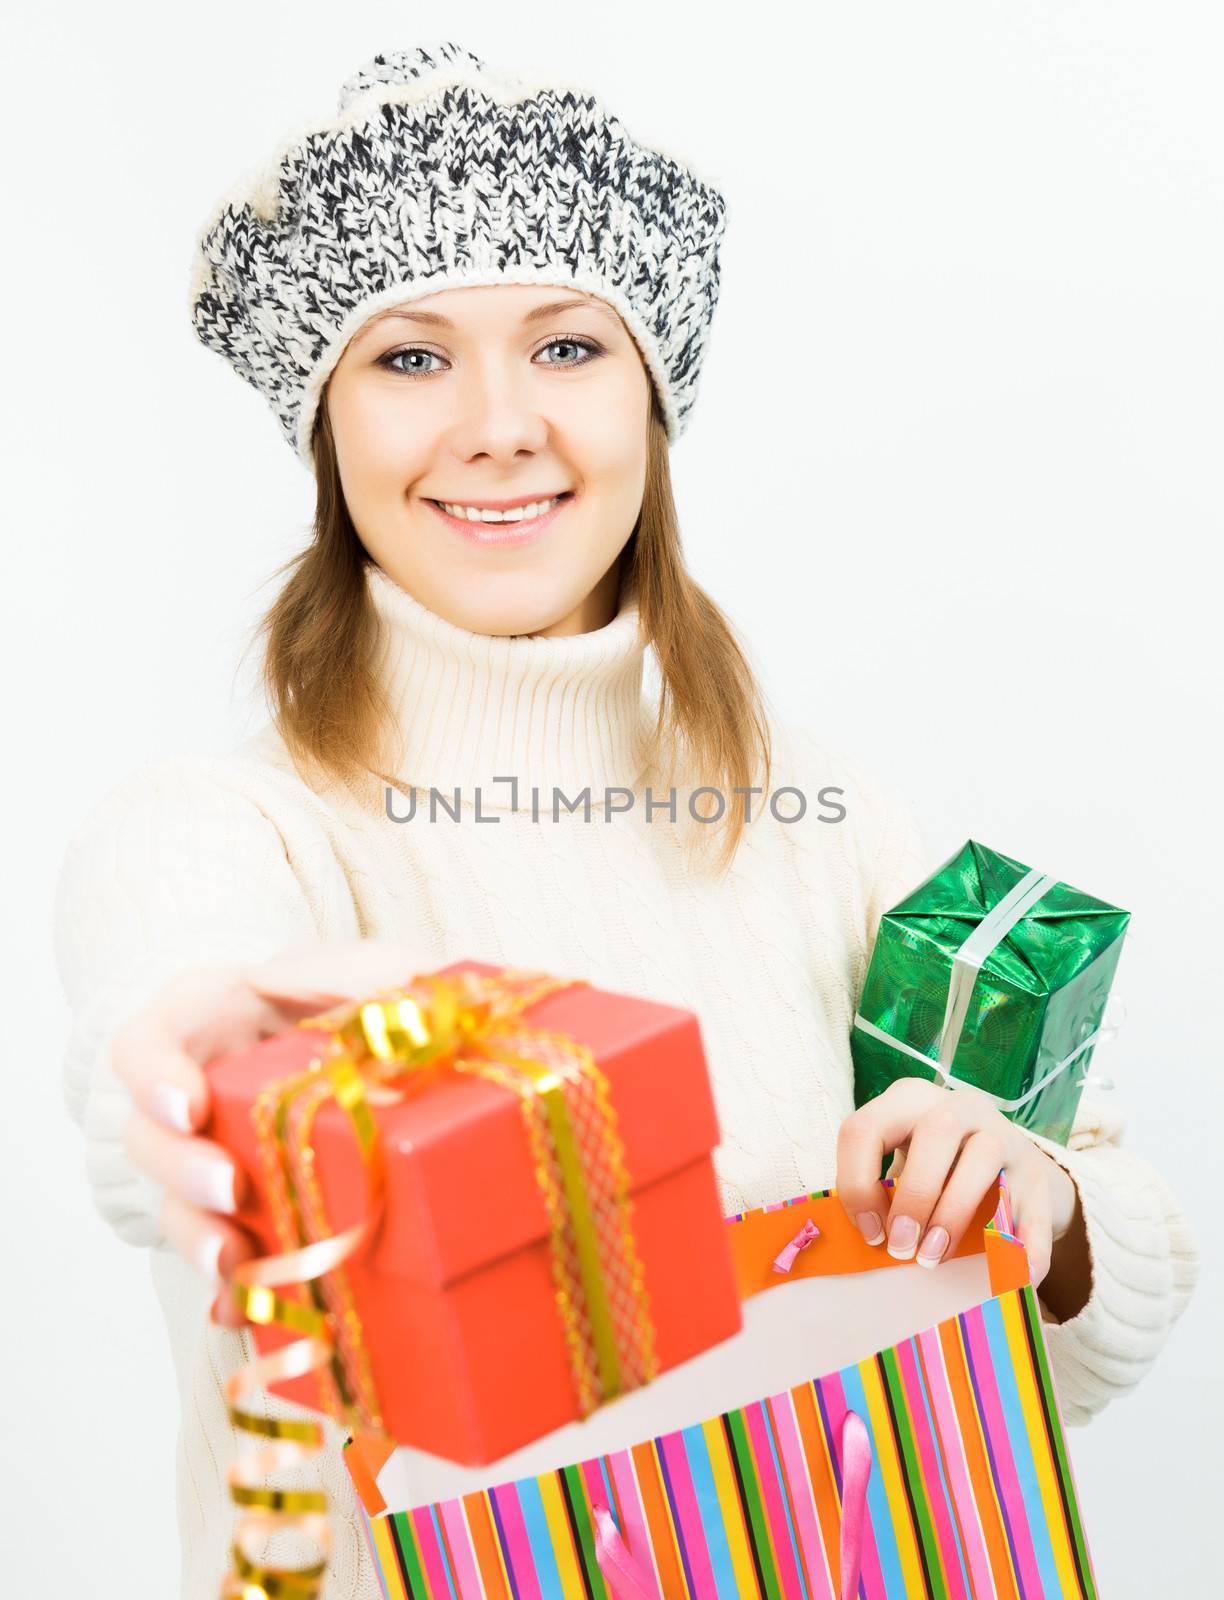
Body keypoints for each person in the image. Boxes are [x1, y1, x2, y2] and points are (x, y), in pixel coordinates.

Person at [52, 40, 1197, 1600]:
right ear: (327, 429)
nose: (500, 424)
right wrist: (211, 1086)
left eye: (568, 347)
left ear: (654, 401)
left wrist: (1037, 1204)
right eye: (409, 358)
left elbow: (1092, 1270)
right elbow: (172, 1066)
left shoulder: (818, 814)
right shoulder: (223, 835)